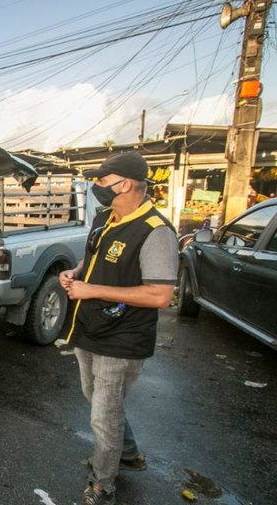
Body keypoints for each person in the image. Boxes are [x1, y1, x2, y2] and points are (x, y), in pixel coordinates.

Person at [59, 151, 178, 505]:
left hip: (123, 337)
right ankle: (127, 453)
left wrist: (91, 289)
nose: (97, 187)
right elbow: (94, 256)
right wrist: (77, 272)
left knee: (103, 415)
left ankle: (103, 482)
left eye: (102, 181)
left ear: (124, 183)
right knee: (97, 400)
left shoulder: (156, 232)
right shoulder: (103, 218)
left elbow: (160, 295)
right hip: (90, 327)